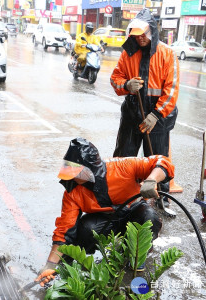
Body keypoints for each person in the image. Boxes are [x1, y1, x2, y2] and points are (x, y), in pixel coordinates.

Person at [35, 137, 174, 286]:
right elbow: (64, 230)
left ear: (90, 168)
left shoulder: (122, 167)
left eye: (76, 171)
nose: (72, 175)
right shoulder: (73, 192)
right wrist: (51, 265)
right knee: (85, 230)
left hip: (133, 211)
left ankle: (136, 256)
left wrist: (151, 180)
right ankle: (71, 261)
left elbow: (163, 162)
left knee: (149, 217)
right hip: (105, 220)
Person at [110, 8, 179, 207]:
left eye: (144, 34)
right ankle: (121, 195)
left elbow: (171, 90)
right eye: (137, 34)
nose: (140, 39)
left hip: (158, 116)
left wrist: (156, 115)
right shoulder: (128, 52)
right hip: (133, 112)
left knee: (159, 159)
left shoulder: (167, 54)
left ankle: (162, 199)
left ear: (152, 32)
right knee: (124, 157)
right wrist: (126, 85)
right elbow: (115, 79)